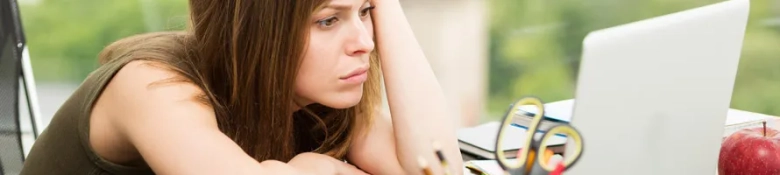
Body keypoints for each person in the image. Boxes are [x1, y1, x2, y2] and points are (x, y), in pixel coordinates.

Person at [20, 0, 464, 174]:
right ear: (258, 30)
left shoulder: (321, 93)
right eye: (329, 20)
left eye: (365, 12)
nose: (365, 44)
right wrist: (320, 167)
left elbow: (438, 169)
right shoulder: (151, 84)